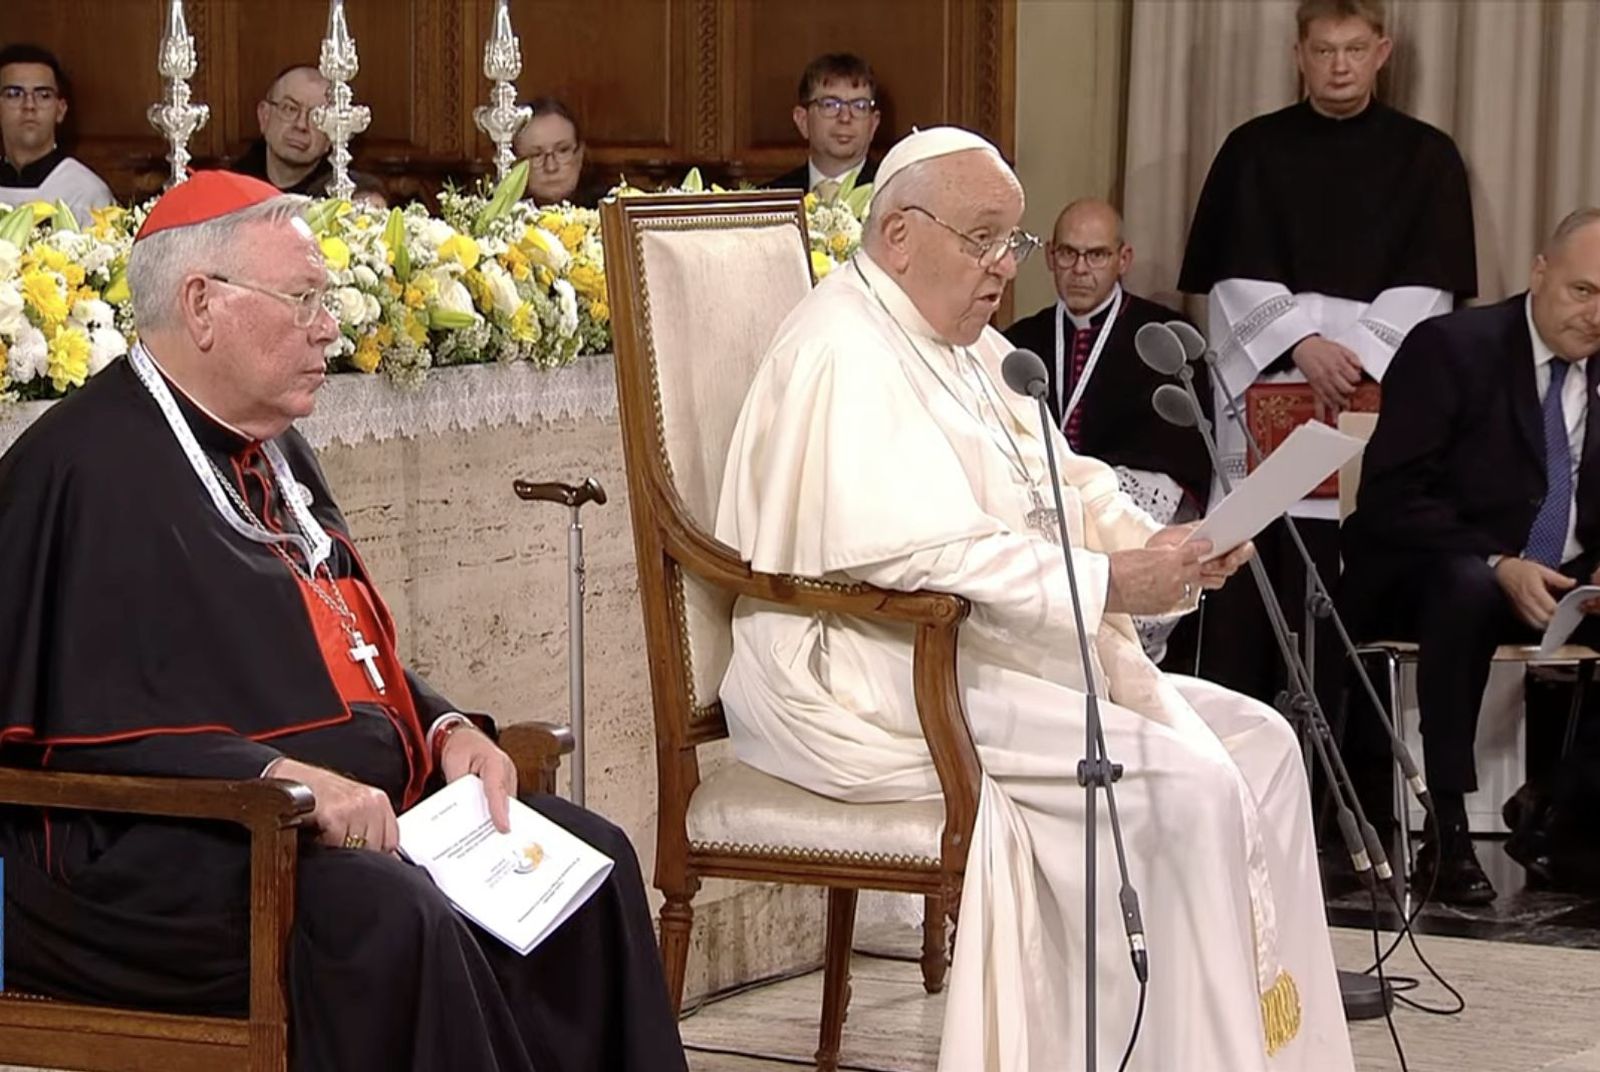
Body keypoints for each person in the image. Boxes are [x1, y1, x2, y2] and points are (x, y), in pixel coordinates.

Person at [0, 171, 684, 1072]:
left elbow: (337, 641)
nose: (330, 327)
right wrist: (288, 780)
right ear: (202, 305)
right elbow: (78, 730)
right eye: (305, 300)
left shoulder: (271, 445)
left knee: (588, 860)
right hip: (166, 850)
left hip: (337, 824)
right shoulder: (82, 468)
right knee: (388, 913)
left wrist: (441, 731)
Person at [717, 127, 1352, 1072]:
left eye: (1010, 244)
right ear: (898, 235)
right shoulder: (845, 351)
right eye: (984, 239)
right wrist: (1105, 584)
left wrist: (1157, 548)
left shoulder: (962, 344)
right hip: (874, 663)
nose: (1003, 273)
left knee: (1260, 746)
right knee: (1186, 782)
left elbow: (1062, 477)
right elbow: (914, 554)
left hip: (987, 638)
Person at [1177, 0, 1476, 725]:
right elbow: (1229, 275)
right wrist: (1302, 345)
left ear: (1382, 51)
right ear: (1298, 54)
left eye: (1352, 49)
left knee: (1358, 577)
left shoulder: (1427, 155)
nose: (1338, 66)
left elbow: (1432, 283)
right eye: (1322, 51)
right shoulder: (1252, 150)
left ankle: (1359, 773)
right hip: (1274, 381)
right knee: (1262, 580)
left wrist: (1363, 355)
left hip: (1376, 391)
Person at [1342, 208, 1600, 904]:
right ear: (1540, 273)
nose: (1597, 315)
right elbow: (1395, 498)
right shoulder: (1451, 347)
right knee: (1467, 590)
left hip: (1557, 579)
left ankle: (1560, 811)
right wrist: (1497, 561)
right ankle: (1445, 833)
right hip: (1428, 567)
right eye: (1584, 291)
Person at [1005, 198, 1213, 663]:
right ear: (1049, 257)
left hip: (1119, 524)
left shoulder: (1165, 335)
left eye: (1096, 255)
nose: (1080, 269)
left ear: (1123, 259)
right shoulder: (1018, 341)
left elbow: (1180, 461)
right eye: (1068, 254)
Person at [232, 64, 382, 203]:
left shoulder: (347, 196)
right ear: (264, 116)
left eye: (316, 116)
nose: (301, 125)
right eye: (290, 109)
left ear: (333, 133)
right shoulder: (232, 184)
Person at [0, 43, 113, 222]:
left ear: (60, 110)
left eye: (43, 95)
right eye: (14, 94)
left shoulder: (86, 193)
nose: (29, 106)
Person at [768, 53, 880, 197]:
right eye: (830, 104)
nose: (845, 117)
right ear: (803, 120)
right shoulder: (769, 200)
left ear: (873, 124)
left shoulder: (893, 197)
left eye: (859, 106)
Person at [512, 97, 607, 208]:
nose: (551, 167)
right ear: (515, 163)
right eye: (536, 155)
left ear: (580, 155)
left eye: (563, 150)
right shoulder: (494, 218)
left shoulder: (611, 211)